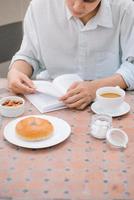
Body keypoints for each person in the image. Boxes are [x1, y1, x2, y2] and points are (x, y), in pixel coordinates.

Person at [7, 0, 134, 110]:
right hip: (51, 101)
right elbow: (29, 56)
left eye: (89, 0)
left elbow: (132, 66)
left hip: (108, 101)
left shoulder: (125, 8)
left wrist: (97, 88)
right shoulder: (40, 6)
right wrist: (16, 71)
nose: (77, 7)